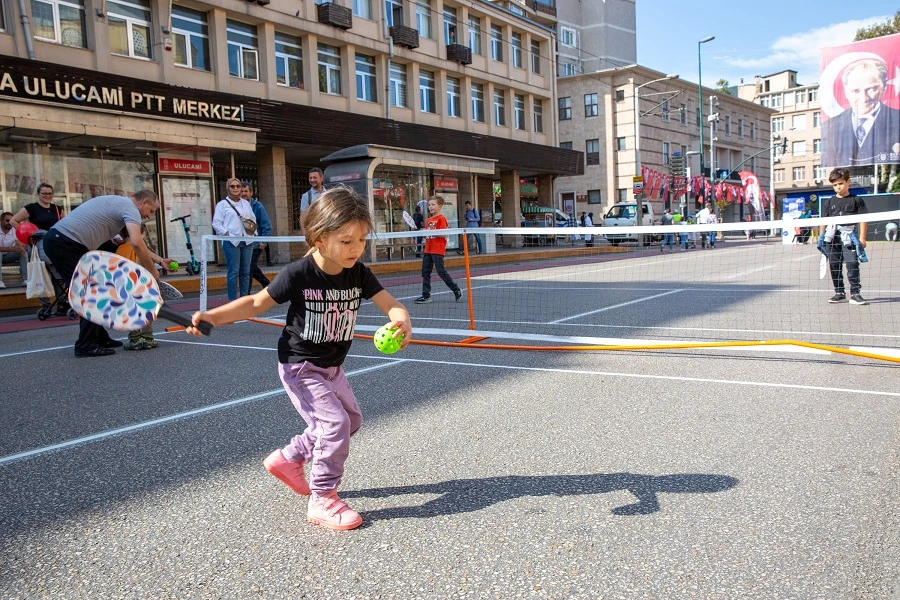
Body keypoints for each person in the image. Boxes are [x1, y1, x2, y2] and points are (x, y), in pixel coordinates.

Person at [186, 187, 412, 531]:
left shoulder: (359, 273)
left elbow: (390, 303)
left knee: (349, 422)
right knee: (334, 426)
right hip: (301, 365)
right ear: (319, 238)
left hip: (332, 366)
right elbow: (255, 303)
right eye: (346, 240)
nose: (356, 248)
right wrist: (212, 316)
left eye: (362, 239)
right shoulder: (299, 273)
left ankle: (288, 459)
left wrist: (401, 317)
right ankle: (323, 497)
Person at [42, 191, 165, 357]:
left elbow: (133, 243)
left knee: (95, 289)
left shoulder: (119, 203)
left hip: (65, 243)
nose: (149, 216)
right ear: (144, 202)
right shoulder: (130, 208)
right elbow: (136, 242)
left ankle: (100, 337)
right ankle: (85, 345)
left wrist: (160, 260)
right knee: (91, 293)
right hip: (64, 243)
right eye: (151, 210)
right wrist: (152, 270)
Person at [822, 58, 900, 167]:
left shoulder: (896, 120)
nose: (864, 98)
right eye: (856, 91)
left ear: (884, 87)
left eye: (871, 89)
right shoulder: (830, 127)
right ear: (846, 91)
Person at [818, 167, 868, 305]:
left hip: (849, 238)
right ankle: (839, 292)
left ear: (848, 182)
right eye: (834, 185)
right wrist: (821, 238)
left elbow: (864, 219)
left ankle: (855, 293)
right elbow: (824, 221)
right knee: (834, 265)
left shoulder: (857, 200)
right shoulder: (829, 202)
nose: (838, 187)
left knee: (852, 264)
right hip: (832, 239)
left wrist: (862, 238)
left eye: (840, 183)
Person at [115, 224, 169, 351]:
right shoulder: (141, 248)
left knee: (130, 312)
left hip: (125, 286)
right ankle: (148, 338)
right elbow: (144, 264)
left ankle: (135, 339)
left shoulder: (120, 249)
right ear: (143, 233)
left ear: (122, 235)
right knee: (147, 311)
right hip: (142, 285)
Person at [213, 177, 257, 301]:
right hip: (231, 242)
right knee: (233, 273)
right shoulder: (222, 205)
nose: (236, 188)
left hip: (247, 241)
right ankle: (232, 302)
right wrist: (226, 234)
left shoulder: (246, 203)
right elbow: (216, 223)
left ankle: (244, 300)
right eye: (233, 186)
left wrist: (253, 232)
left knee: (246, 272)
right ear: (228, 188)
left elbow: (252, 219)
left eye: (238, 186)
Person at [415, 196, 462, 304]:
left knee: (441, 271)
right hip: (428, 249)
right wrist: (424, 233)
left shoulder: (441, 219)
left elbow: (443, 234)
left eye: (433, 204)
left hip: (438, 250)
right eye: (429, 205)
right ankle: (426, 295)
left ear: (439, 206)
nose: (430, 207)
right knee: (425, 272)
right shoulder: (428, 220)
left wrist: (429, 231)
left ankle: (456, 289)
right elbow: (428, 236)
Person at [242, 182, 273, 291]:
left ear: (251, 192)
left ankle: (246, 295)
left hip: (255, 244)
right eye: (242, 191)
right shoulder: (237, 206)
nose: (243, 193)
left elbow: (267, 226)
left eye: (246, 191)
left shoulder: (258, 206)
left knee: (249, 268)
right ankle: (268, 285)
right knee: (250, 268)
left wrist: (263, 241)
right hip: (242, 244)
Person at [0, 212, 28, 287]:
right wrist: (12, 249)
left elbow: (19, 243)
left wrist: (21, 248)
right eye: (7, 220)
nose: (10, 223)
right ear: (1, 220)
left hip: (7, 255)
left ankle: (26, 279)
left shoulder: (14, 230)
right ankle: (0, 281)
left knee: (23, 252)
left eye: (11, 220)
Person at [298, 167, 325, 234]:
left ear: (322, 178)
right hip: (314, 233)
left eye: (315, 177)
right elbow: (303, 217)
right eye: (310, 178)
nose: (312, 180)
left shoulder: (329, 193)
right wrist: (305, 235)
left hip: (328, 232)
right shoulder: (306, 196)